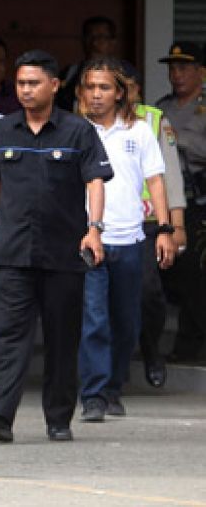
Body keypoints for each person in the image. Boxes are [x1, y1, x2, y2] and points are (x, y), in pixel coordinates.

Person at [0, 50, 111, 444]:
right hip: (12, 254)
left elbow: (95, 182)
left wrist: (94, 229)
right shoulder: (2, 131)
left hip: (63, 253)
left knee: (62, 338)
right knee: (5, 336)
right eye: (21, 83)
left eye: (33, 83)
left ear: (53, 85)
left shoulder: (78, 131)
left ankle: (59, 419)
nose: (26, 90)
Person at [75, 57, 175, 423]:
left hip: (131, 237)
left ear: (119, 92)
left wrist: (164, 229)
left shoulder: (138, 131)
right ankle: (95, 394)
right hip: (89, 240)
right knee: (94, 319)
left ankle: (114, 386)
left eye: (104, 88)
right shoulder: (76, 130)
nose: (97, 95)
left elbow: (157, 180)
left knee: (126, 320)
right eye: (91, 87)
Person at [122, 65, 187, 387]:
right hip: (106, 222)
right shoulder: (89, 119)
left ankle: (150, 349)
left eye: (132, 87)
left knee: (149, 292)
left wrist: (176, 225)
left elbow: (170, 177)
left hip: (148, 223)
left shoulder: (154, 119)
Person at [155, 41, 206, 364]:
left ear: (202, 72)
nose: (176, 74)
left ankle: (190, 345)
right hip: (172, 202)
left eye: (184, 67)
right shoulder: (161, 107)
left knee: (197, 275)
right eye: (172, 68)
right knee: (174, 274)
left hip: (201, 202)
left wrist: (181, 145)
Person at [57, 16, 119, 112]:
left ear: (112, 42)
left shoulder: (125, 73)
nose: (94, 43)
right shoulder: (70, 73)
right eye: (90, 37)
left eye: (101, 37)